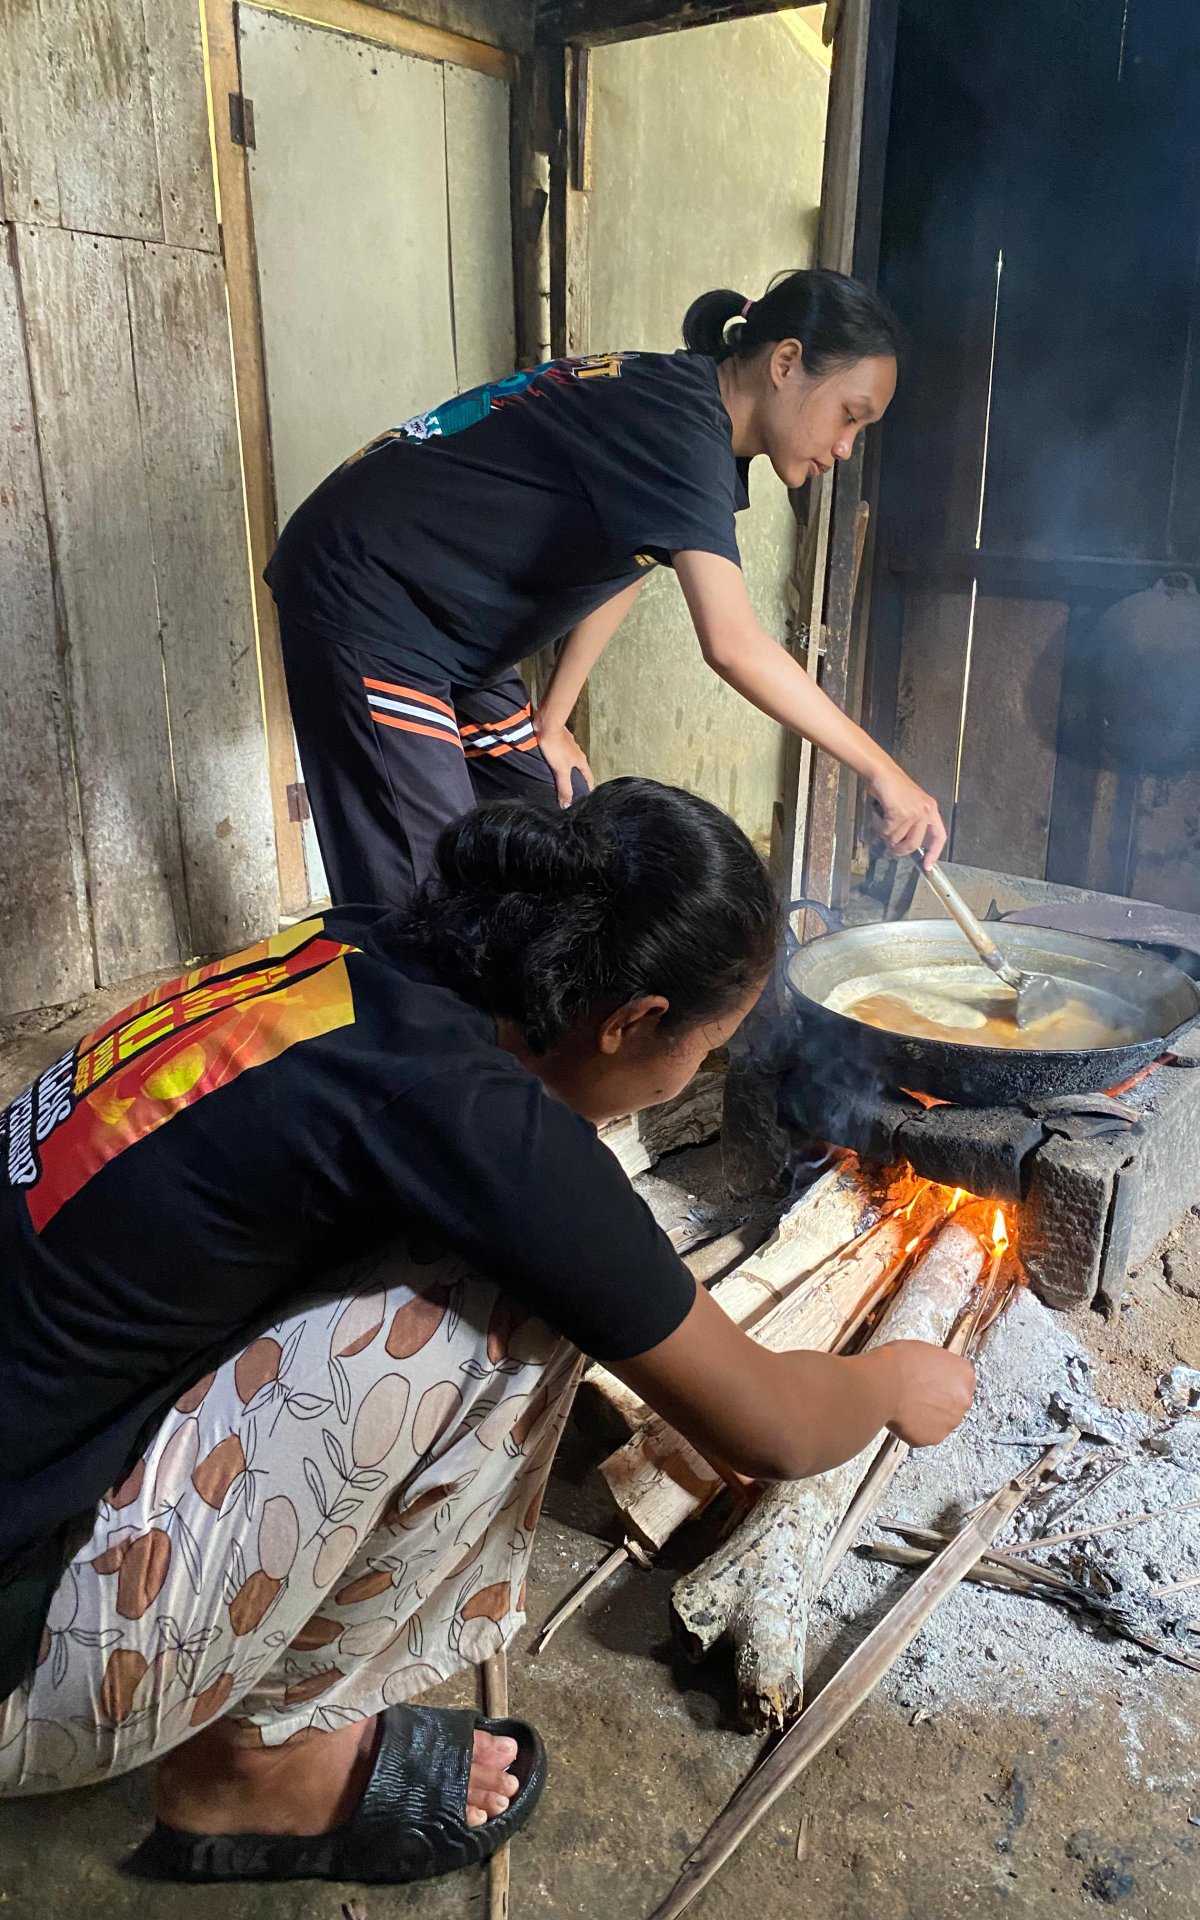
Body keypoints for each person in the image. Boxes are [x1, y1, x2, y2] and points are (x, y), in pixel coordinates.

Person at [0, 778, 974, 1886]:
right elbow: (778, 1430)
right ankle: (257, 1769)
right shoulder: (478, 1126)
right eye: (709, 1048)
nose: (698, 1074)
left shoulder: (355, 946)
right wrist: (894, 1382)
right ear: (635, 1021)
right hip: (22, 1655)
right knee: (500, 1300)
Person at [265, 267, 946, 908]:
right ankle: (423, 1013)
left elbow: (627, 563)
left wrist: (553, 722)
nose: (846, 445)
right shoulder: (681, 423)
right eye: (849, 416)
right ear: (786, 363)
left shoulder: (687, 414)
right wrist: (881, 769)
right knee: (422, 905)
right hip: (372, 600)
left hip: (452, 627)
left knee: (556, 803)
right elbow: (733, 645)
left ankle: (510, 1008)